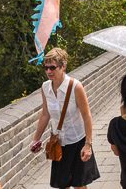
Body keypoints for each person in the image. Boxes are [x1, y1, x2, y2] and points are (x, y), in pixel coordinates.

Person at [30, 48, 100, 188]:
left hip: (77, 140)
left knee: (79, 185)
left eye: (52, 67)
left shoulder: (75, 87)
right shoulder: (45, 88)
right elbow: (45, 114)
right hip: (59, 142)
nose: (49, 71)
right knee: (62, 184)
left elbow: (87, 116)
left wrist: (88, 144)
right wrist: (35, 139)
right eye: (46, 68)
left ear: (63, 67)